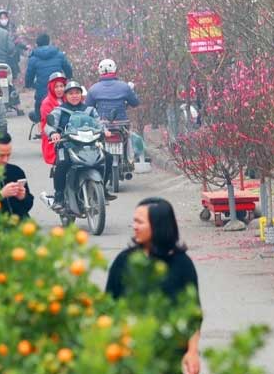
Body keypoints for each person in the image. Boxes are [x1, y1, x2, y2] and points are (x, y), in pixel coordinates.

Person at [105, 198, 202, 374]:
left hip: (168, 356)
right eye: (134, 221)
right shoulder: (124, 261)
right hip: (128, 355)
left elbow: (193, 313)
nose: (134, 226)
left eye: (140, 222)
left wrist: (192, 352)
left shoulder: (182, 264)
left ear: (158, 226)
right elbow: (108, 307)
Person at [45, 82, 114, 210]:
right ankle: (59, 197)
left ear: (81, 95)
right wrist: (53, 133)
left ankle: (102, 188)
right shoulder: (59, 110)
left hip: (89, 145)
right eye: (71, 93)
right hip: (67, 145)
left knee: (108, 158)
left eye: (77, 93)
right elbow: (49, 126)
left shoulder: (89, 110)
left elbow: (99, 124)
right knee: (62, 163)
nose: (74, 96)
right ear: (66, 95)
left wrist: (105, 131)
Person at [25, 33, 73, 115]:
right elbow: (68, 69)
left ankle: (39, 119)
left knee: (38, 113)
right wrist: (69, 77)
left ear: (37, 44)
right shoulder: (59, 55)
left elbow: (29, 75)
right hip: (58, 91)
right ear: (49, 42)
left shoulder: (33, 58)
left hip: (42, 93)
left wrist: (29, 85)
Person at [0, 133, 33, 219]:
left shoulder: (16, 171)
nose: (5, 160)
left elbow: (28, 205)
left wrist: (23, 197)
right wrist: (0, 195)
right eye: (1, 155)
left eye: (8, 155)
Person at [40, 72, 67, 165]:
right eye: (56, 87)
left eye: (61, 86)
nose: (59, 89)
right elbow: (48, 124)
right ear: (51, 88)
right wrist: (54, 133)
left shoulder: (69, 99)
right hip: (53, 138)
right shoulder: (46, 103)